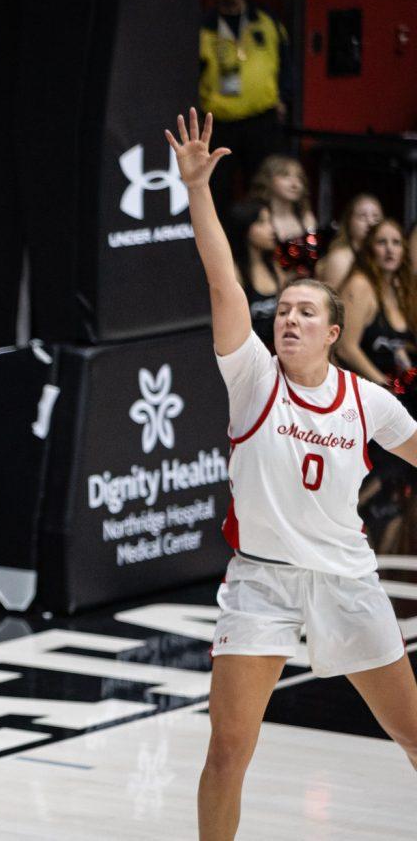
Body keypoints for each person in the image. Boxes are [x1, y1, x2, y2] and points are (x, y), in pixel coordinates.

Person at [165, 108, 417, 841]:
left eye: (307, 312)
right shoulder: (251, 377)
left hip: (346, 578)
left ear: (335, 333)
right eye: (284, 310)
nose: (289, 319)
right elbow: (222, 284)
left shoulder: (365, 398)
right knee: (228, 752)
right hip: (262, 581)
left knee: (413, 736)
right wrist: (198, 191)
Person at [200, 0, 291, 216]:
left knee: (267, 189)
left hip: (261, 120)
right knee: (217, 193)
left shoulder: (265, 20)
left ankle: (264, 248)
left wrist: (284, 97)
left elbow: (286, 62)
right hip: (220, 123)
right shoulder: (204, 27)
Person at [338, 218, 417, 389]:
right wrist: (387, 386)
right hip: (366, 392)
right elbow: (345, 347)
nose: (390, 249)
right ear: (369, 250)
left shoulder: (401, 290)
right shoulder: (359, 285)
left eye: (396, 243)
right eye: (382, 242)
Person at [249, 154, 319, 277]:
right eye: (285, 176)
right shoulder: (258, 217)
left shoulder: (306, 218)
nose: (295, 184)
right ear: (268, 179)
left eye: (300, 178)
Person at [227, 199, 283, 350]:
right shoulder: (234, 273)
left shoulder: (274, 266)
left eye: (271, 221)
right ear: (244, 227)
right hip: (250, 356)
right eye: (262, 222)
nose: (272, 229)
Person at [315, 193, 383, 290]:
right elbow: (332, 301)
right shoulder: (340, 258)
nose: (370, 222)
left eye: (376, 217)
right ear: (349, 221)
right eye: (362, 216)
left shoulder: (380, 256)